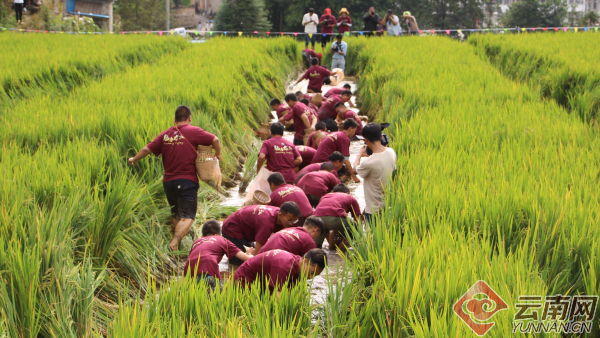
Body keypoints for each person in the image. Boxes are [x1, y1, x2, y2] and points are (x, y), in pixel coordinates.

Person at [128, 106, 221, 251]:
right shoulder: (194, 131)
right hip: (186, 181)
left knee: (175, 213)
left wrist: (134, 159)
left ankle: (175, 246)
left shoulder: (166, 134)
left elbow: (147, 149)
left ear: (174, 120)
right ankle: (174, 243)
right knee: (188, 216)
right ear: (190, 118)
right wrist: (218, 154)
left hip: (168, 182)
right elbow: (215, 139)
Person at [184, 220, 253, 293]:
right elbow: (246, 258)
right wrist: (249, 253)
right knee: (217, 297)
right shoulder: (222, 240)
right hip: (208, 267)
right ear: (219, 235)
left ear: (202, 236)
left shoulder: (197, 242)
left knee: (197, 296)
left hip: (189, 271)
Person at [222, 203, 301, 264]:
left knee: (252, 251)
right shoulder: (267, 224)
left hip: (245, 228)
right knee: (239, 260)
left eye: (294, 221)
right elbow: (257, 253)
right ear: (280, 215)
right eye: (290, 220)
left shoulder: (280, 216)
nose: (291, 224)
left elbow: (280, 238)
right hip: (232, 228)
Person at [353, 123, 397, 223]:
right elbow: (379, 165)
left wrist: (359, 155)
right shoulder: (391, 152)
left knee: (371, 237)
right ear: (381, 137)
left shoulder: (368, 162)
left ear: (366, 140)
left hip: (373, 210)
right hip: (388, 205)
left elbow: (355, 170)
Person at [233, 248, 327, 293]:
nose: (310, 278)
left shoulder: (298, 267)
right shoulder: (284, 267)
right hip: (244, 281)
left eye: (314, 275)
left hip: (262, 284)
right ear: (305, 261)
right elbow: (279, 298)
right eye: (311, 273)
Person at [313, 184, 362, 250]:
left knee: (315, 246)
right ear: (347, 193)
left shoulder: (325, 196)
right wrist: (359, 235)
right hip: (336, 220)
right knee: (354, 227)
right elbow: (357, 218)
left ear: (333, 192)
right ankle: (342, 249)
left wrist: (330, 244)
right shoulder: (350, 197)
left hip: (317, 219)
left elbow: (325, 221)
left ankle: (327, 250)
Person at [312, 119, 360, 183]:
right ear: (350, 129)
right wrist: (354, 176)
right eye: (354, 131)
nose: (354, 133)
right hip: (325, 162)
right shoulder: (344, 138)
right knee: (348, 173)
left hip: (316, 161)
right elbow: (346, 160)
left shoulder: (335, 133)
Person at [258, 216, 324, 255]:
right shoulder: (309, 242)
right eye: (318, 235)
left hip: (258, 258)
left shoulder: (288, 229)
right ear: (315, 230)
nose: (315, 238)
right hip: (274, 262)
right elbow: (306, 266)